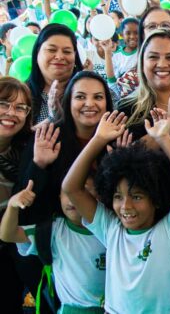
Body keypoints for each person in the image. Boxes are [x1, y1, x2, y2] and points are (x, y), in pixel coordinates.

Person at [61, 109, 170, 314]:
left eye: (136, 196)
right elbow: (71, 187)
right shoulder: (110, 228)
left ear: (156, 198)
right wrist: (98, 139)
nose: (125, 206)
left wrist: (163, 138)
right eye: (117, 196)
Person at [18, 71, 115, 225]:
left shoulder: (117, 139)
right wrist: (39, 164)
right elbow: (22, 201)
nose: (89, 103)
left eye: (98, 97)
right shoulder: (48, 136)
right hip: (58, 234)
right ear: (68, 101)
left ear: (107, 103)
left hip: (106, 230)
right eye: (80, 97)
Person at [1, 180, 106, 313]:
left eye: (82, 191)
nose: (72, 199)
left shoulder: (112, 228)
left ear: (100, 196)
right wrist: (12, 206)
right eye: (67, 192)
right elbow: (8, 234)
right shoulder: (54, 231)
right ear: (59, 197)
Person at [0, 77, 33, 312]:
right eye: (3, 104)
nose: (11, 113)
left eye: (20, 107)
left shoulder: (25, 152)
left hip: (8, 254)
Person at [27, 24, 83, 124]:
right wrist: (53, 118)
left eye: (66, 51)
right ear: (37, 54)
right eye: (51, 50)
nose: (59, 56)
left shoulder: (91, 89)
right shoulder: (21, 94)